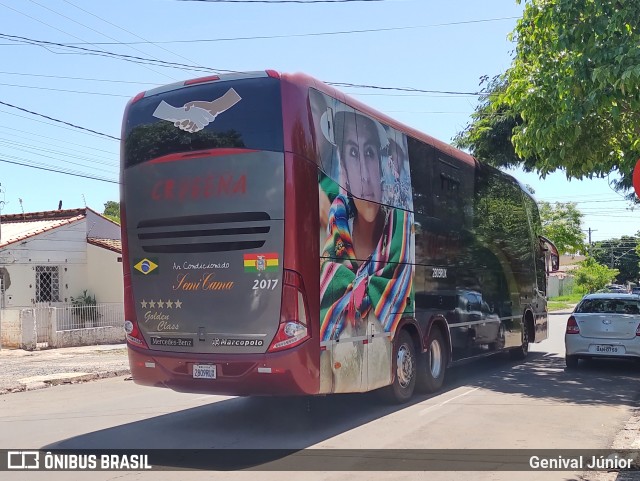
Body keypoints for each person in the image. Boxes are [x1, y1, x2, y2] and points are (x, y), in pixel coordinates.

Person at [318, 107, 414, 391]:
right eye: (353, 153)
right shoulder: (335, 236)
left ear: (385, 165)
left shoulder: (402, 235)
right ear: (343, 168)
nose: (365, 176)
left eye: (370, 154)